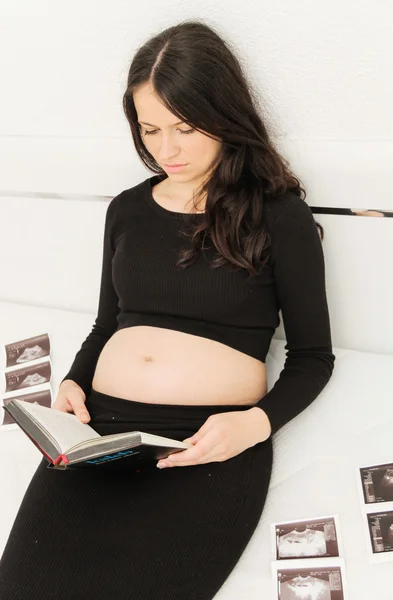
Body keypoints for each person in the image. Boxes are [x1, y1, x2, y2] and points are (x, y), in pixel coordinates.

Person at [0, 18, 335, 600]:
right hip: (97, 435)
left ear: (224, 115)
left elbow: (313, 358)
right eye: (150, 129)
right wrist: (76, 382)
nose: (166, 150)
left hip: (203, 444)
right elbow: (110, 322)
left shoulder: (279, 216)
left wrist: (253, 426)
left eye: (185, 127)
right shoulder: (127, 210)